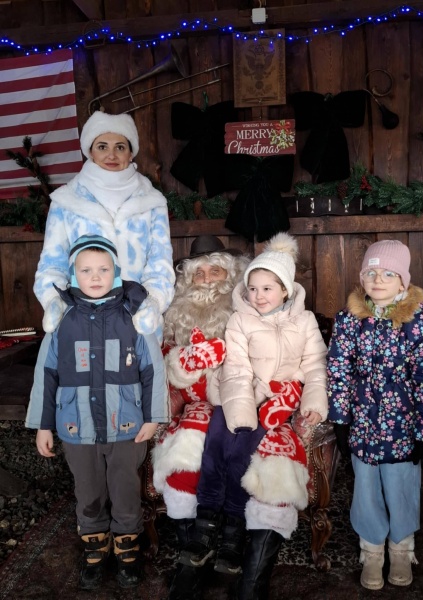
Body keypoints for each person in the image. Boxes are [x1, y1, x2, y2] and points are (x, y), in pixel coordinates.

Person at [179, 232, 328, 600]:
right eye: (253, 289)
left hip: (279, 398)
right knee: (218, 443)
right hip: (239, 394)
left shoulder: (305, 321)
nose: (259, 296)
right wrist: (241, 411)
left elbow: (315, 367)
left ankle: (234, 527)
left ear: (286, 290)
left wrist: (312, 401)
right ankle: (207, 520)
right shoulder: (240, 320)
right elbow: (237, 369)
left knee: (243, 453)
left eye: (268, 289)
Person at [25, 235, 169, 591]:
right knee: (87, 487)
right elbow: (46, 374)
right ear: (73, 274)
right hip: (77, 426)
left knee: (124, 486)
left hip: (127, 425)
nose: (94, 277)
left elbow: (153, 369)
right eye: (86, 270)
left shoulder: (134, 317)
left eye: (103, 269)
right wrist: (43, 425)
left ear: (116, 272)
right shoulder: (62, 321)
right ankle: (94, 545)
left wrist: (152, 416)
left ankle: (127, 547)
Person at [327, 239, 423, 591]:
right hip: (363, 424)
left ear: (403, 281)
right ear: (362, 278)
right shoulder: (349, 320)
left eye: (388, 274)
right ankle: (371, 549)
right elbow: (338, 370)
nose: (378, 280)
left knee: (401, 486)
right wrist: (340, 418)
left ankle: (401, 547)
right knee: (365, 487)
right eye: (371, 273)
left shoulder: (419, 322)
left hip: (403, 427)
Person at [152, 234, 249, 600]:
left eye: (215, 272)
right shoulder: (174, 316)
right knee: (185, 449)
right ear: (186, 280)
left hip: (238, 404)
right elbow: (160, 362)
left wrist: (222, 359)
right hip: (193, 405)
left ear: (230, 275)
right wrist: (183, 364)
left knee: (235, 446)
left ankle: (232, 544)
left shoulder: (246, 309)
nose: (207, 280)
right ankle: (191, 553)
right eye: (199, 273)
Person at [34, 111, 175, 340]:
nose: (111, 154)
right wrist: (54, 302)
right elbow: (52, 264)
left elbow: (160, 262)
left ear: (131, 152)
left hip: (137, 321)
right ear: (90, 151)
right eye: (102, 146)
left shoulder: (152, 201)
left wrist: (151, 303)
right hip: (81, 320)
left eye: (120, 147)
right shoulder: (66, 200)